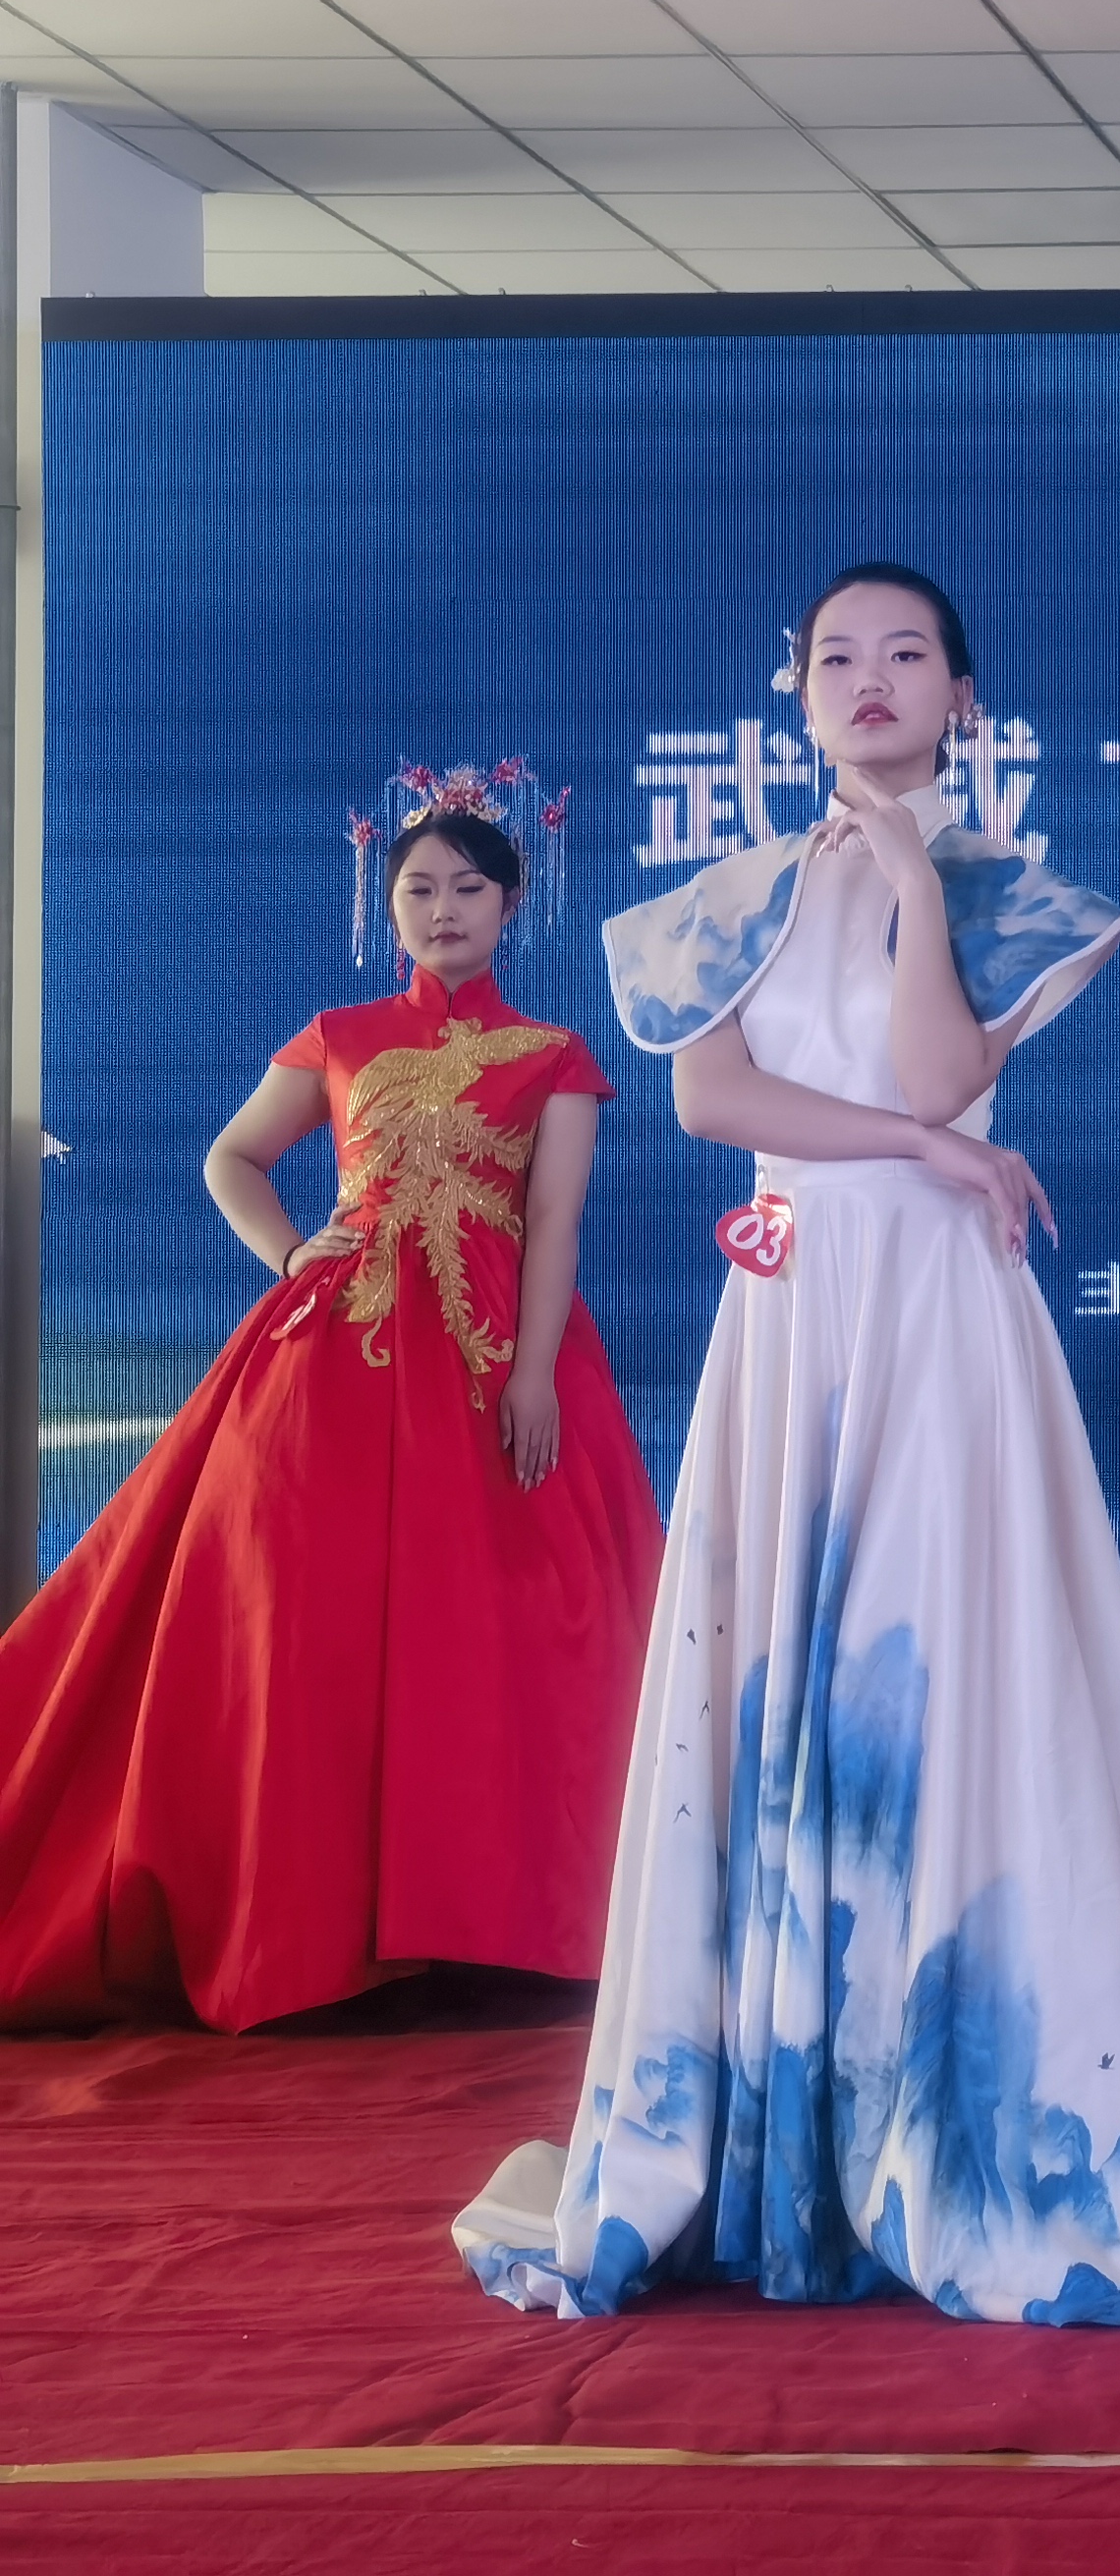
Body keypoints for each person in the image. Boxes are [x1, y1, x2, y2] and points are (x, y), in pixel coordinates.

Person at [458, 565, 1120, 2329]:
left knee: (951, 1676)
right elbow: (714, 1100)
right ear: (794, 690)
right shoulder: (722, 900)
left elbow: (942, 1068)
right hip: (794, 1303)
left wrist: (904, 882)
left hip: (944, 1317)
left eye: (906, 655)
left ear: (964, 695)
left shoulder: (1017, 895)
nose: (867, 677)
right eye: (836, 655)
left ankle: (965, 2106)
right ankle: (775, 2120)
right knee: (777, 1679)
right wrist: (933, 1152)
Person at [0, 773, 657, 2031]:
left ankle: (502, 1923)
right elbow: (232, 1158)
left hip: (494, 1357)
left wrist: (530, 1373)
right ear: (386, 902)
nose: (442, 908)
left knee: (502, 1619)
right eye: (418, 889)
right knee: (309, 1620)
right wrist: (295, 1251)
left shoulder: (556, 1057)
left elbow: (554, 1222)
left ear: (512, 902)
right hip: (332, 1361)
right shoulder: (340, 1034)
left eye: (468, 887)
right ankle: (309, 1930)